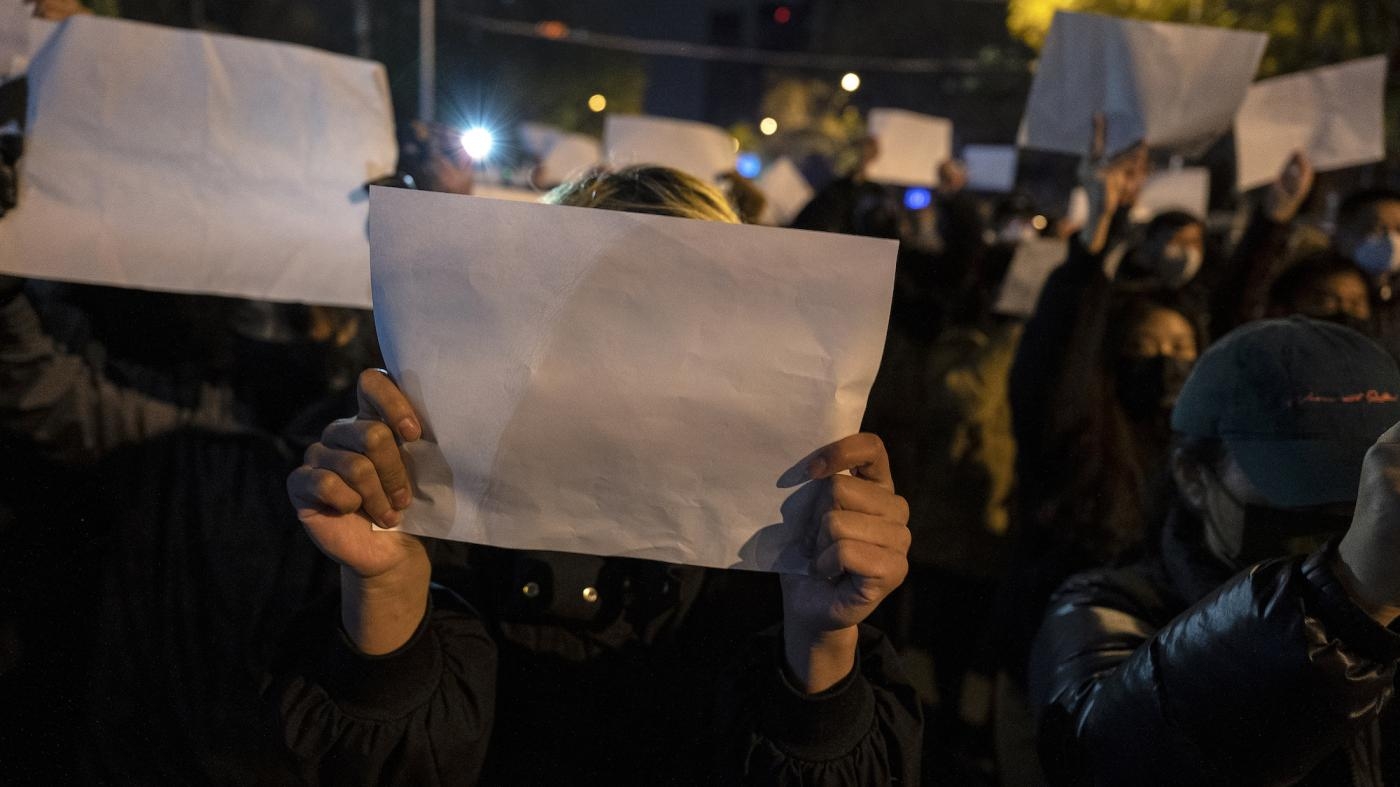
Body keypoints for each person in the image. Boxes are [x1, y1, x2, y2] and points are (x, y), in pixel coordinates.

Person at [268, 165, 922, 785]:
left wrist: (820, 641)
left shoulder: (781, 552)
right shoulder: (436, 518)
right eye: (587, 317)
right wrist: (387, 589)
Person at [1030, 317, 1400, 785]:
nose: (1343, 512)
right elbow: (1104, 755)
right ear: (1193, 476)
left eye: (1363, 485)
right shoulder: (1108, 608)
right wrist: (1341, 606)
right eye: (1298, 482)